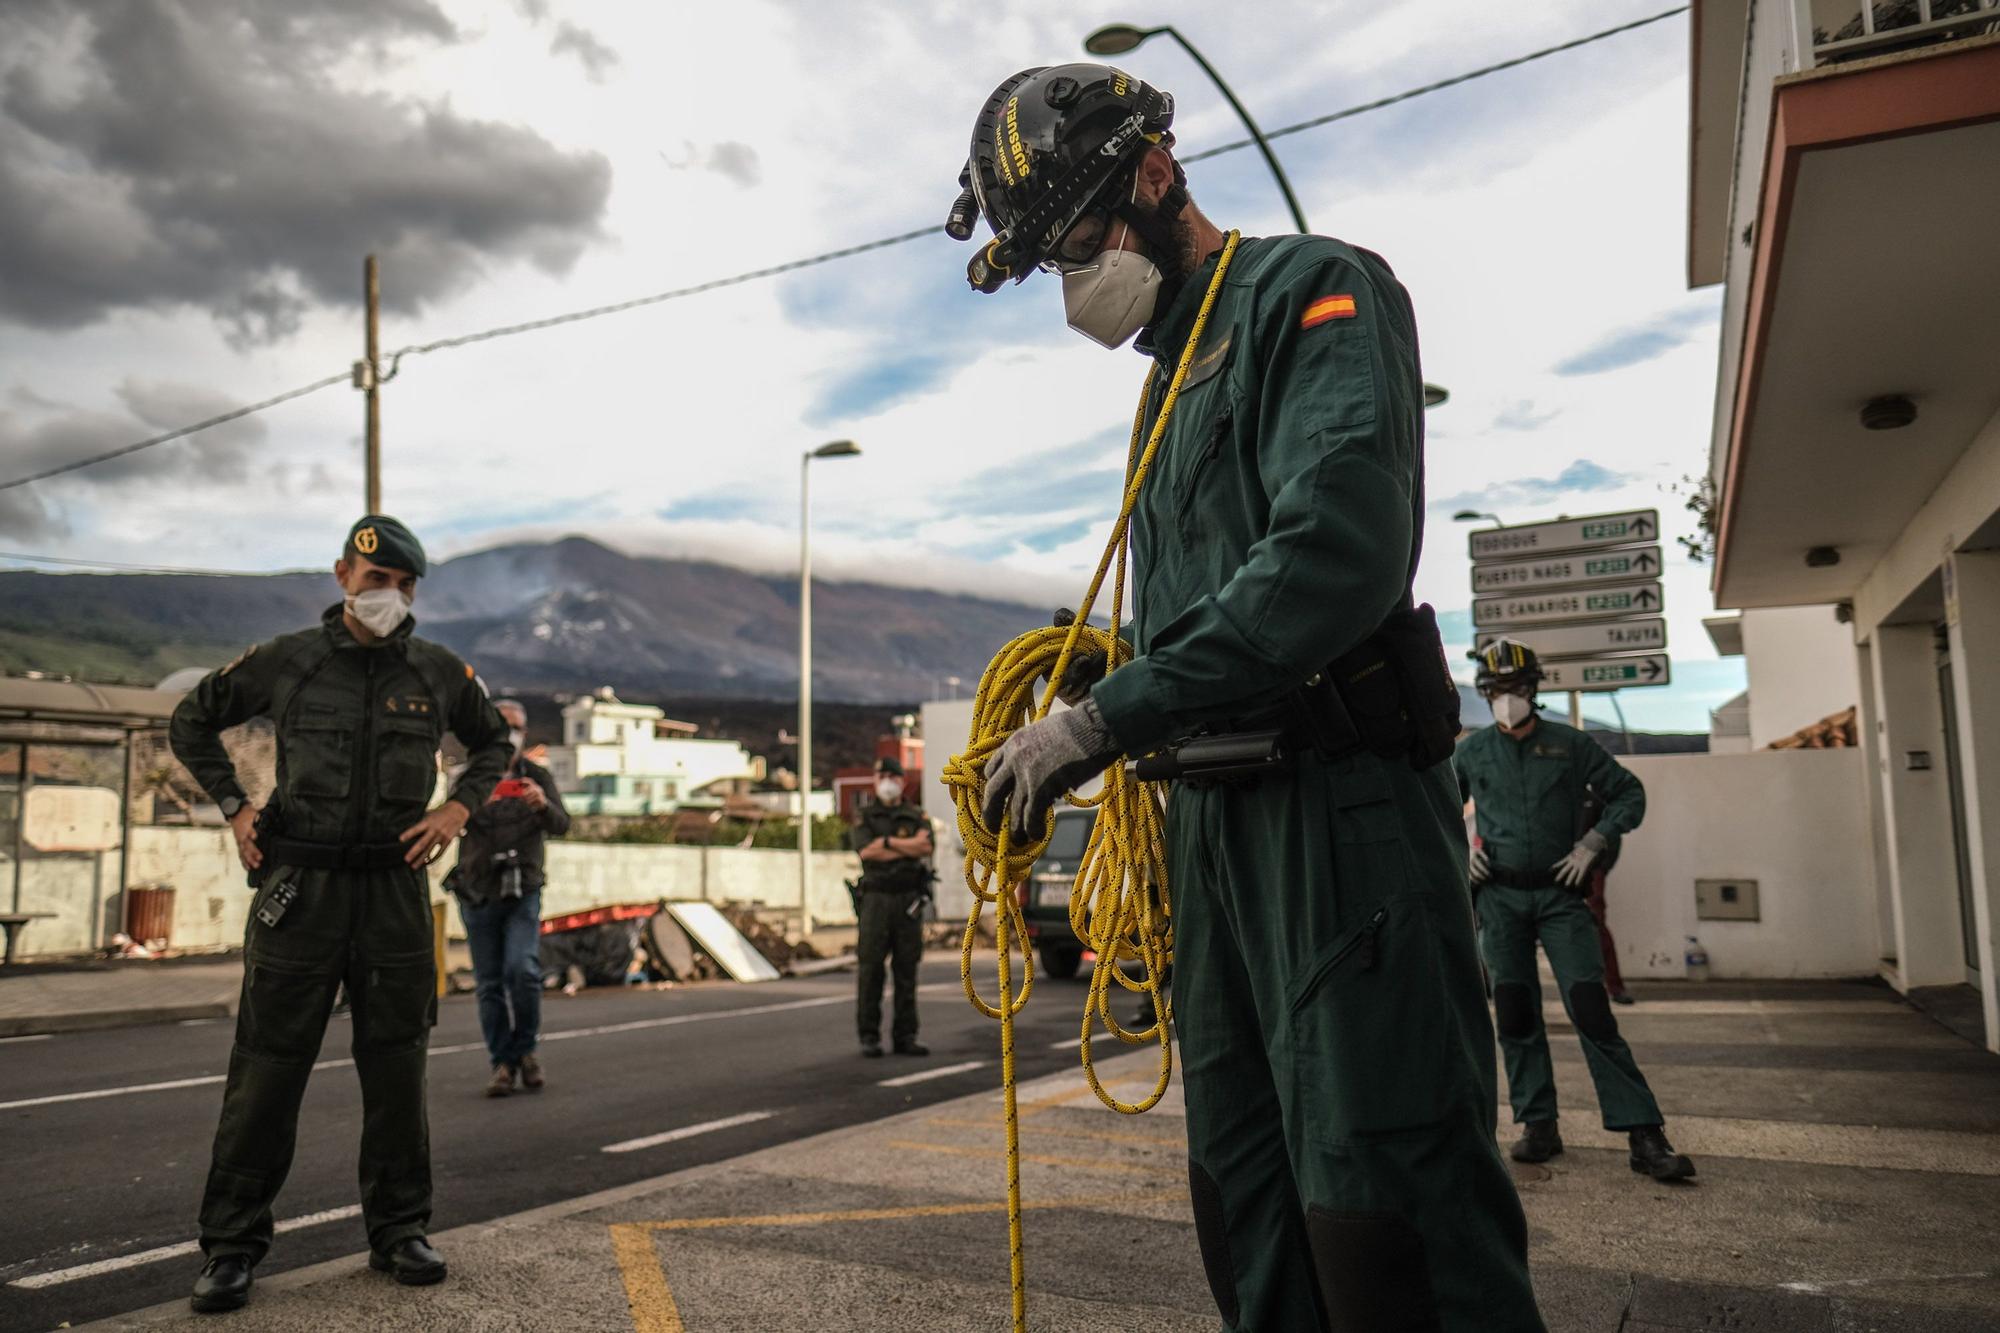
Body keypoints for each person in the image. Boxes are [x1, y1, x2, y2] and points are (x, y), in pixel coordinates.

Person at [958, 64, 1545, 1331]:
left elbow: (1331, 554)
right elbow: (1185, 623)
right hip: (1211, 835)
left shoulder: (1316, 292)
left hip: (1335, 822)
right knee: (1249, 1204)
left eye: (1075, 243)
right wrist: (1087, 687)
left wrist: (1102, 723)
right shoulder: (1161, 391)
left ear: (1155, 175)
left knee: (1385, 1204)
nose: (1073, 282)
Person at [169, 515, 512, 1313]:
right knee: (266, 1069)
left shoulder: (436, 670)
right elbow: (191, 718)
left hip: (393, 890)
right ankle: (230, 1246)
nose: (386, 594)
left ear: (413, 590)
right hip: (302, 887)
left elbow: (493, 744)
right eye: (374, 579)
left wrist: (458, 808)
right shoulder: (288, 660)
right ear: (341, 576)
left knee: (397, 1067)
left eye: (401, 583)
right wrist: (235, 806)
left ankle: (399, 1230)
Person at [1455, 639, 1695, 1181]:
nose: (1506, 699)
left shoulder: (1569, 744)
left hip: (1562, 897)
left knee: (1591, 1010)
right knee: (1514, 1016)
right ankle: (1538, 1124)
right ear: (1486, 694)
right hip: (1501, 898)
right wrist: (1459, 857)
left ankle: (1644, 1134)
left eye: (1516, 689)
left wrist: (1595, 841)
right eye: (1496, 691)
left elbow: (1628, 794)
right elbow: (1436, 809)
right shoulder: (1470, 753)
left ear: (1533, 689)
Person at [449, 698, 570, 1098]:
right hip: (478, 889)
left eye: (517, 725)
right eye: (503, 723)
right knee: (488, 983)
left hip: (523, 888)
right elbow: (445, 825)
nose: (510, 731)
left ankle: (526, 1050)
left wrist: (541, 803)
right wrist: (467, 807)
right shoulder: (466, 778)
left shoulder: (537, 775)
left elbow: (562, 824)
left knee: (522, 970)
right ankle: (503, 1062)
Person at [848, 757, 933, 1058]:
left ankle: (905, 1036)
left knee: (906, 969)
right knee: (870, 969)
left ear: (901, 781)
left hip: (907, 899)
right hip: (876, 899)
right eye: (880, 774)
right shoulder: (865, 814)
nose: (885, 780)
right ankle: (869, 1036)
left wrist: (885, 844)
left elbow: (926, 847)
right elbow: (867, 853)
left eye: (890, 775)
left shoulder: (914, 814)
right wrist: (899, 845)